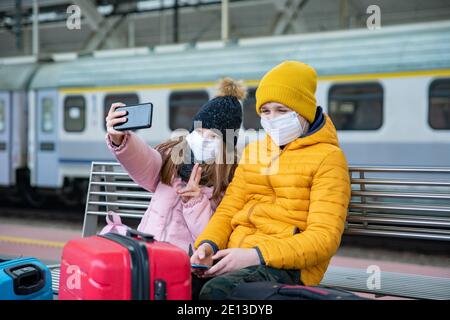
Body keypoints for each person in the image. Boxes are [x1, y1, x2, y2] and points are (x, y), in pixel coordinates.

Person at [190, 61, 351, 300]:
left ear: (303, 111)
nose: (272, 118)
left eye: (282, 111)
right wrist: (208, 245)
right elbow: (227, 210)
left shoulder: (329, 158)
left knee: (216, 292)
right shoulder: (254, 151)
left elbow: (323, 239)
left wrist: (256, 255)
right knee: (173, 279)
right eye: (265, 111)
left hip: (290, 266)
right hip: (238, 254)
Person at [104, 78, 247, 254]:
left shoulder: (228, 182)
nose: (203, 140)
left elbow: (211, 239)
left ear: (226, 148)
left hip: (180, 265)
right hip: (145, 254)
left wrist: (195, 202)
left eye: (213, 137)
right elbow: (144, 160)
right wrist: (120, 138)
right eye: (200, 132)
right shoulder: (172, 160)